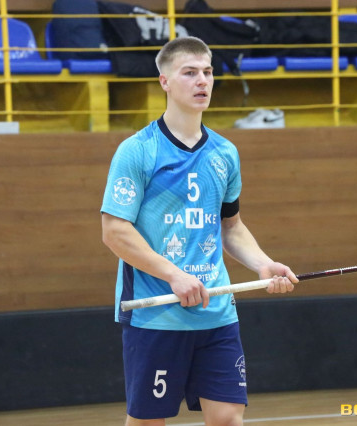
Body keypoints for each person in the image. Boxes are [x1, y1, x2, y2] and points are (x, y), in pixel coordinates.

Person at [101, 36, 299, 426]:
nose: (202, 81)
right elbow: (114, 232)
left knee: (227, 419)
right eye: (189, 73)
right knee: (147, 422)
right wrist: (174, 275)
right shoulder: (138, 151)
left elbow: (231, 227)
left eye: (207, 72)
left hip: (217, 313)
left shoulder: (225, 153)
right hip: (157, 315)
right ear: (164, 81)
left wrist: (262, 264)